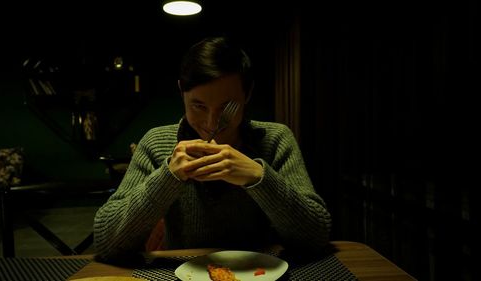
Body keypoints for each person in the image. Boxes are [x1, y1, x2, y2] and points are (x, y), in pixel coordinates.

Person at [93, 36, 332, 262]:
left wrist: (258, 177)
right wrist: (168, 177)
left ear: (247, 94)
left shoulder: (276, 139)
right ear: (181, 92)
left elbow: (315, 238)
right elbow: (107, 245)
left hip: (261, 273)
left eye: (227, 107)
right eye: (198, 106)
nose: (210, 123)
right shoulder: (156, 143)